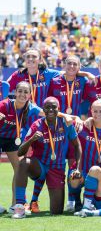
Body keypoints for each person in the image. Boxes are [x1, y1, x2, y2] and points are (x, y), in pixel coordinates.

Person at [11, 97, 82, 218]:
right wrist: (32, 139)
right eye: (47, 107)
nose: (50, 109)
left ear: (58, 109)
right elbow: (20, 152)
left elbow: (77, 145)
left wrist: (78, 168)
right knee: (24, 163)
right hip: (39, 165)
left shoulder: (65, 123)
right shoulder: (36, 125)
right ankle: (19, 206)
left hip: (57, 169)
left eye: (54, 107)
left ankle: (36, 200)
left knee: (57, 211)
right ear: (43, 109)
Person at [66, 99, 101, 212]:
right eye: (95, 111)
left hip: (98, 170)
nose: (98, 114)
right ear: (91, 111)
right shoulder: (83, 126)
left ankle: (90, 203)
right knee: (74, 179)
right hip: (81, 168)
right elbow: (63, 117)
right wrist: (77, 118)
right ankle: (76, 201)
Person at [0, 82, 42, 213]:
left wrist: (72, 118)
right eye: (20, 91)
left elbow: (48, 112)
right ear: (15, 92)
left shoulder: (31, 108)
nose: (22, 94)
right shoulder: (4, 105)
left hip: (13, 140)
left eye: (25, 92)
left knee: (19, 169)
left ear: (30, 95)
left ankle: (15, 205)